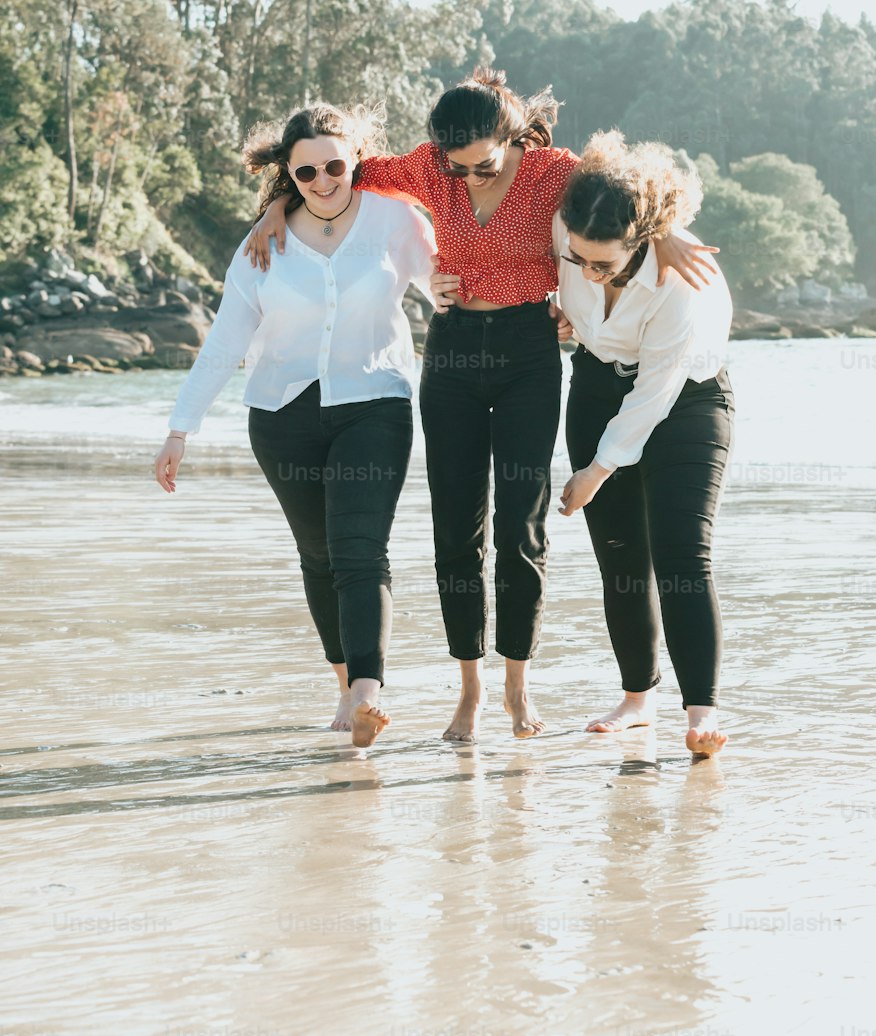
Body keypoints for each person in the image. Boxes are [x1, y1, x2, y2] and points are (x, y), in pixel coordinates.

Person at [246, 70, 719, 743]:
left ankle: (516, 691)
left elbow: (629, 189)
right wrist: (273, 210)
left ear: (513, 137)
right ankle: (468, 692)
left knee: (520, 530)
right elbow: (333, 175)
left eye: (483, 164)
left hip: (529, 352)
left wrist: (666, 231)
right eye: (455, 166)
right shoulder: (426, 168)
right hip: (453, 353)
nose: (466, 177)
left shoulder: (557, 171)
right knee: (455, 533)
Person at [153, 103, 436, 749]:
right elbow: (226, 340)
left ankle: (369, 688)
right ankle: (345, 686)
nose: (325, 180)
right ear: (290, 173)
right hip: (282, 417)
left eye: (336, 165)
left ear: (356, 158)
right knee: (320, 557)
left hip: (375, 404)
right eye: (307, 172)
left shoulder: (394, 218)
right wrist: (180, 428)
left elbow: (445, 282)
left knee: (361, 549)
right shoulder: (264, 242)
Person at [554, 132, 735, 760]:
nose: (585, 272)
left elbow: (655, 392)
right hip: (598, 383)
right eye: (578, 261)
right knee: (620, 560)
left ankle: (702, 713)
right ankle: (638, 700)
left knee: (683, 554)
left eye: (603, 265)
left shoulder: (678, 281)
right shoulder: (574, 227)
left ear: (642, 241)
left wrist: (596, 472)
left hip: (687, 399)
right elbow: (548, 165)